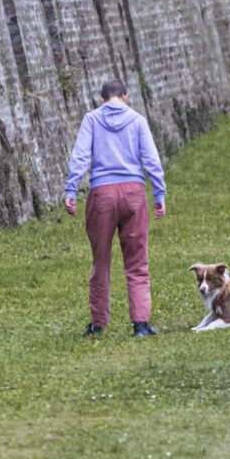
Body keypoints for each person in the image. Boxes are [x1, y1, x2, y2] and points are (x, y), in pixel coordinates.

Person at [64, 79, 166, 337]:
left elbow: (80, 156)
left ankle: (98, 323)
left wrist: (71, 189)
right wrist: (159, 193)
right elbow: (151, 159)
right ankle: (141, 324)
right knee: (137, 261)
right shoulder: (138, 120)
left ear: (101, 99)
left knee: (101, 261)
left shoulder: (91, 119)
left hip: (102, 195)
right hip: (133, 192)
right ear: (125, 97)